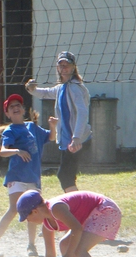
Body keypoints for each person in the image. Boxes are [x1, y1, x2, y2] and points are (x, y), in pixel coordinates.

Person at [0, 93, 54, 257]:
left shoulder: (32, 127)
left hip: (33, 177)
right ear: (7, 114)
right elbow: (2, 151)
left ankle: (31, 246)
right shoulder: (10, 130)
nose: (15, 108)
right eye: (11, 107)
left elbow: (50, 137)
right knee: (14, 209)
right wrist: (17, 151)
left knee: (34, 211)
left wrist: (53, 126)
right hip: (16, 176)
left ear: (23, 110)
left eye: (18, 105)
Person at [25, 50, 91, 192]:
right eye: (60, 65)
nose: (63, 68)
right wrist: (31, 89)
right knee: (67, 176)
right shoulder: (62, 87)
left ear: (73, 67)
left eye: (66, 65)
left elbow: (83, 112)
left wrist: (77, 137)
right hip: (67, 140)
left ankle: (78, 204)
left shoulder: (75, 88)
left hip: (77, 140)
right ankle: (75, 204)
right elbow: (45, 93)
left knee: (64, 175)